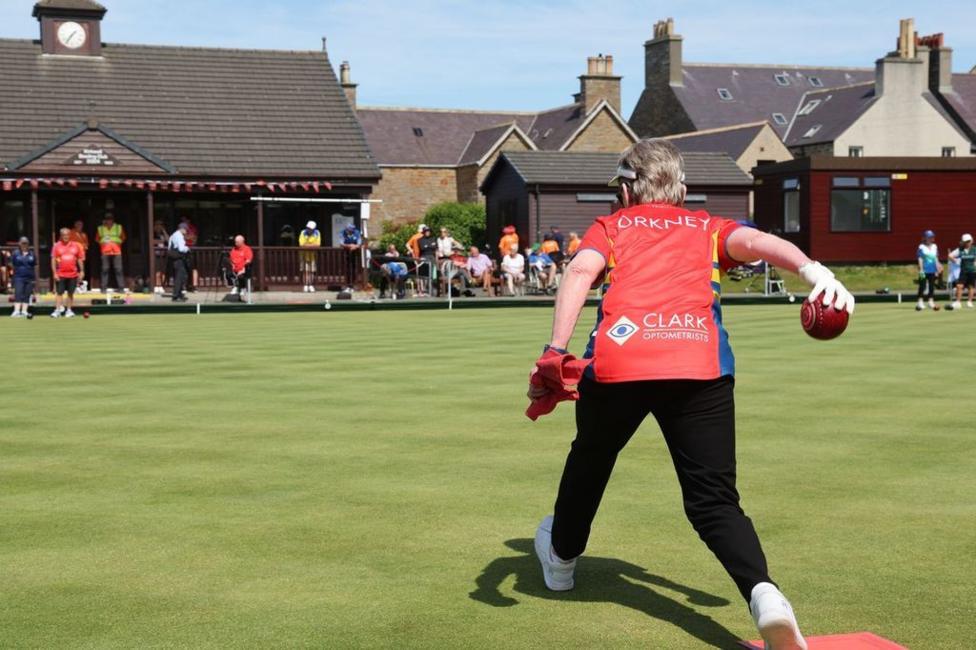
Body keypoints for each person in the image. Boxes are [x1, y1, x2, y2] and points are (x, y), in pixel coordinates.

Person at [526, 139, 855, 650]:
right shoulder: (708, 227)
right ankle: (765, 594)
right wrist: (816, 273)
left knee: (591, 459)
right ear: (678, 186)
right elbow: (762, 243)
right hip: (698, 364)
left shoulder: (612, 226)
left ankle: (562, 562)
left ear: (629, 187)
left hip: (622, 360)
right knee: (713, 501)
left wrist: (555, 348)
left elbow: (580, 271)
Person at [51, 227, 85, 318]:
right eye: (64, 235)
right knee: (59, 293)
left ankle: (69, 310)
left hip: (73, 274)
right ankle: (57, 310)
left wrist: (82, 271)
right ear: (61, 236)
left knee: (70, 293)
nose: (66, 236)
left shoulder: (76, 245)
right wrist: (54, 273)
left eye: (67, 235)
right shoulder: (56, 246)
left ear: (70, 235)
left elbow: (79, 259)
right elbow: (53, 260)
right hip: (60, 273)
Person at [96, 213, 126, 292]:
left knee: (118, 269)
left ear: (113, 220)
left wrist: (116, 244)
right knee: (105, 269)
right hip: (105, 252)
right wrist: (103, 244)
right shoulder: (101, 228)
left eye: (110, 219)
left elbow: (123, 238)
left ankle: (121, 288)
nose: (109, 220)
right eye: (107, 219)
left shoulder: (118, 227)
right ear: (105, 220)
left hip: (117, 252)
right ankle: (103, 288)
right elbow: (97, 239)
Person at [10, 237, 36, 318]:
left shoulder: (32, 254)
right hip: (18, 277)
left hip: (29, 277)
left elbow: (34, 265)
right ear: (20, 244)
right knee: (18, 293)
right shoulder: (15, 253)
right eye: (23, 243)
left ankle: (24, 311)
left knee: (27, 294)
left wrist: (33, 278)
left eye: (26, 243)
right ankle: (16, 311)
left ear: (28, 244)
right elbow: (12, 264)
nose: (24, 245)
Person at [949, 233, 975, 309]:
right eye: (966, 241)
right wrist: (955, 261)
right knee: (959, 286)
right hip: (963, 271)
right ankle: (958, 302)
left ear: (971, 241)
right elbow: (950, 256)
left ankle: (969, 302)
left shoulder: (974, 249)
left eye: (969, 241)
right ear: (963, 242)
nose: (967, 243)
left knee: (971, 287)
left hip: (972, 271)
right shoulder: (960, 250)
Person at [916, 230, 941, 311]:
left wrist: (937, 269)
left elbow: (936, 258)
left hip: (932, 270)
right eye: (929, 237)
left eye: (932, 237)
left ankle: (931, 301)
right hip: (923, 270)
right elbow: (920, 259)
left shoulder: (935, 246)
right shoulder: (921, 247)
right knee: (922, 285)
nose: (931, 238)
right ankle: (920, 301)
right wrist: (921, 269)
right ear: (925, 238)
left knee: (931, 286)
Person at [168, 222, 191, 302]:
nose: (186, 231)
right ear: (182, 228)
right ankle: (176, 295)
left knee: (180, 276)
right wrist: (187, 248)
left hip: (174, 259)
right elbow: (181, 249)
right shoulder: (179, 236)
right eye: (186, 229)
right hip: (179, 258)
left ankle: (179, 294)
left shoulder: (173, 235)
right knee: (180, 277)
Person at [299, 220, 321, 293]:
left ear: (314, 229)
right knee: (305, 271)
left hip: (313, 256)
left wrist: (307, 245)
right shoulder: (303, 232)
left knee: (311, 271)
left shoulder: (317, 233)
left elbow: (318, 245)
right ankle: (305, 285)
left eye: (311, 228)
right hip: (304, 255)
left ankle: (311, 285)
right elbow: (301, 244)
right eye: (308, 228)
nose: (309, 229)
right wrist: (312, 245)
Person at [340, 223, 363, 291]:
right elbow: (341, 243)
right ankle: (347, 285)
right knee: (347, 270)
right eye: (350, 229)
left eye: (352, 229)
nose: (352, 230)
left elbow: (359, 243)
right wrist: (349, 246)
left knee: (354, 269)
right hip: (346, 254)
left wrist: (355, 246)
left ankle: (353, 285)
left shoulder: (357, 232)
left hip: (355, 254)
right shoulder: (342, 232)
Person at [416, 225, 438, 296]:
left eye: (429, 231)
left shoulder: (433, 238)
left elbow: (435, 247)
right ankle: (425, 289)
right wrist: (430, 246)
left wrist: (428, 246)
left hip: (432, 257)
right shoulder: (420, 240)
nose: (428, 233)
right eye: (426, 231)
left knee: (434, 274)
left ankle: (433, 289)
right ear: (424, 232)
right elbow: (422, 248)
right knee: (426, 274)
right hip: (424, 257)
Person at [179, 216, 199, 291]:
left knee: (194, 268)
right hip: (183, 250)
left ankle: (194, 286)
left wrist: (186, 237)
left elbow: (194, 239)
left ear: (188, 220)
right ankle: (183, 286)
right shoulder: (181, 227)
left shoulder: (192, 228)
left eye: (185, 219)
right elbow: (179, 237)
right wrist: (187, 237)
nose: (183, 221)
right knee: (183, 268)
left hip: (191, 250)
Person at [153, 220, 169, 293]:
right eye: (157, 225)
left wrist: (164, 231)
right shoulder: (153, 233)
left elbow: (168, 240)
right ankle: (156, 285)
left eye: (161, 225)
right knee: (157, 271)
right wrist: (161, 241)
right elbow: (152, 241)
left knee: (163, 271)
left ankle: (161, 286)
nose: (159, 227)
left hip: (163, 255)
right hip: (156, 255)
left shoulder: (163, 234)